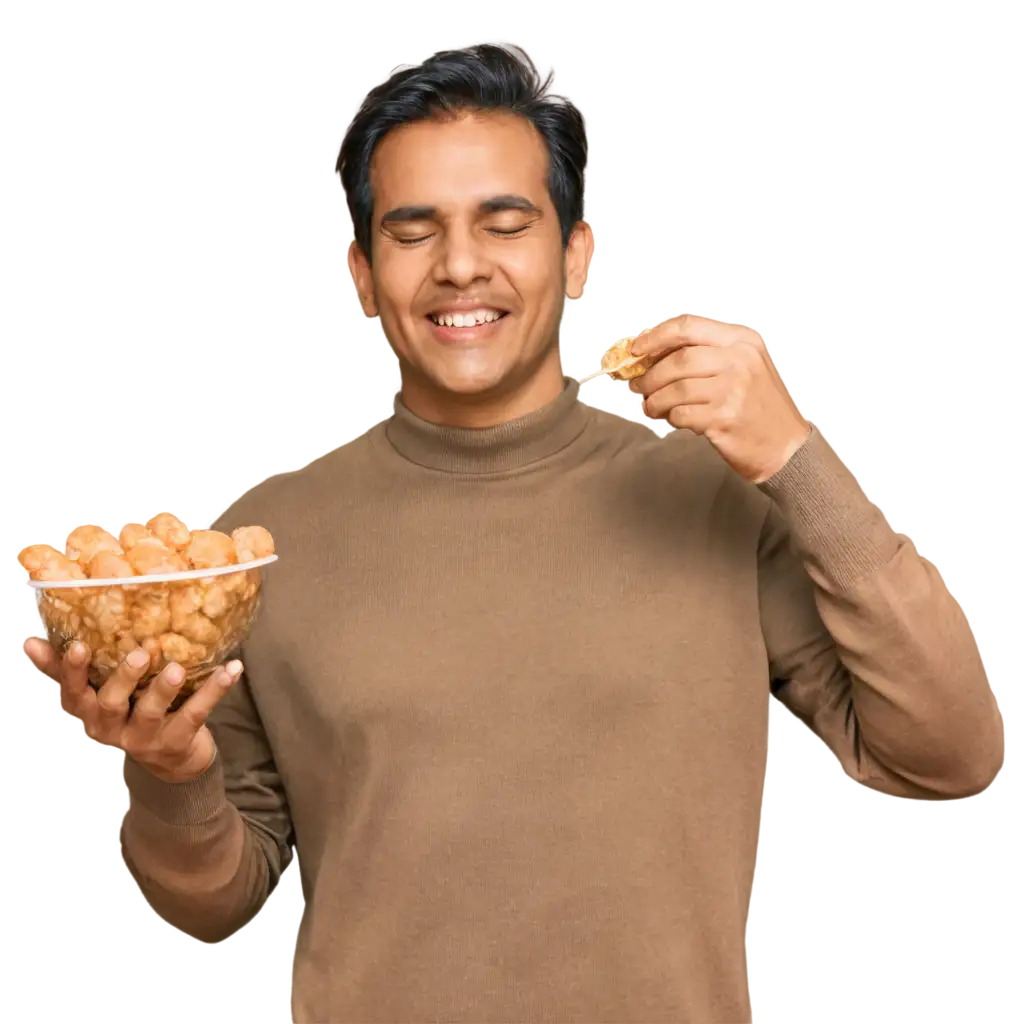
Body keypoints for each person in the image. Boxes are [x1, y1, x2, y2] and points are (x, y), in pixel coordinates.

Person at [24, 43, 1000, 1024]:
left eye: (504, 222)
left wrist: (795, 461)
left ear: (574, 253)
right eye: (414, 231)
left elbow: (947, 751)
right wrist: (169, 778)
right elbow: (216, 895)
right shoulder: (255, 548)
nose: (459, 266)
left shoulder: (710, 493)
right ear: (362, 273)